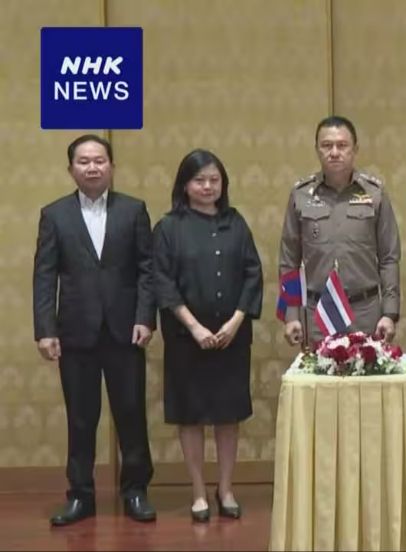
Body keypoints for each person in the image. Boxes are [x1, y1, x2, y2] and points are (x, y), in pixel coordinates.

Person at [32, 134, 156, 526]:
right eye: (83, 161)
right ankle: (81, 495)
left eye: (99, 160)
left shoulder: (133, 210)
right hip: (75, 332)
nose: (92, 167)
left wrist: (145, 317)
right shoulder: (55, 215)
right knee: (81, 418)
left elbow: (147, 270)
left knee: (131, 414)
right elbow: (44, 275)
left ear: (112, 167)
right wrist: (45, 329)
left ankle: (135, 490)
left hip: (126, 330)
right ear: (71, 169)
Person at [152, 150, 263, 522]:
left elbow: (253, 274)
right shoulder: (169, 227)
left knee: (228, 416)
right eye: (199, 180)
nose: (208, 186)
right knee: (191, 416)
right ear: (185, 185)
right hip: (187, 339)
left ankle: (226, 489)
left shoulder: (236, 223)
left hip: (232, 337)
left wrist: (236, 321)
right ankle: (198, 492)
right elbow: (163, 282)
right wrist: (195, 327)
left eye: (214, 180)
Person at [279, 116, 401, 346]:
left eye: (342, 145)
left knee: (366, 370)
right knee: (318, 371)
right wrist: (291, 314)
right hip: (318, 313)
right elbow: (289, 261)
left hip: (365, 312)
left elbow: (389, 258)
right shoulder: (301, 195)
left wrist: (389, 312)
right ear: (317, 149)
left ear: (355, 149)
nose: (334, 152)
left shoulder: (374, 193)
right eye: (327, 145)